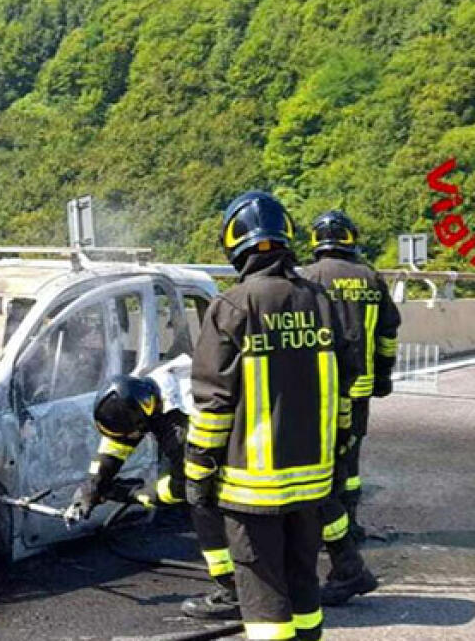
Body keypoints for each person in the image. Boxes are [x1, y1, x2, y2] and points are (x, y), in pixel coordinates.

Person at [185, 190, 359, 641]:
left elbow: (213, 404)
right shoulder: (323, 302)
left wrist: (198, 472)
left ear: (234, 243)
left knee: (264, 597)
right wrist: (341, 455)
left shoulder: (232, 307)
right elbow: (344, 389)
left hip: (252, 491)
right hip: (313, 483)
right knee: (303, 584)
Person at [64, 362, 240, 619]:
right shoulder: (150, 387)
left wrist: (134, 494)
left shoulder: (179, 429)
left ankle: (232, 590)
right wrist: (94, 485)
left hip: (237, 460)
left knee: (201, 501)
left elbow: (182, 487)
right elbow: (118, 442)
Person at [301, 210, 401, 542]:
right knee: (349, 458)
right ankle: (349, 526)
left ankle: (314, 527)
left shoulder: (308, 278)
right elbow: (388, 333)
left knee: (316, 456)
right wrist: (383, 376)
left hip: (317, 392)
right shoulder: (371, 278)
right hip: (359, 389)